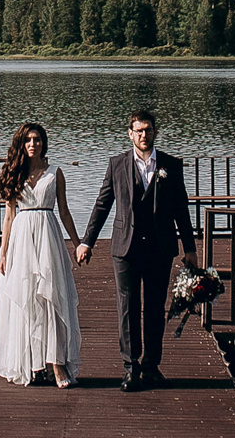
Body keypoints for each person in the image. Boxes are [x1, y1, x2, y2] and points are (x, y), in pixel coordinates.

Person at [75, 106, 198, 392]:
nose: (144, 135)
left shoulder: (171, 165)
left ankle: (152, 367)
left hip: (160, 247)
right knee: (128, 308)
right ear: (130, 134)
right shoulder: (117, 164)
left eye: (148, 130)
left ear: (155, 132)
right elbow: (103, 204)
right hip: (125, 248)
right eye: (139, 131)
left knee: (155, 308)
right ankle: (131, 368)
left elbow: (181, 209)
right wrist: (87, 241)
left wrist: (189, 248)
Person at [0, 121, 84, 388]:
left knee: (50, 296)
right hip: (22, 237)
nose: (34, 144)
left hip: (48, 235)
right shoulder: (14, 173)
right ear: (22, 144)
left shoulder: (55, 173)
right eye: (29, 140)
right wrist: (4, 252)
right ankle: (32, 363)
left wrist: (77, 243)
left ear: (44, 143)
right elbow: (9, 216)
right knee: (27, 297)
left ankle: (57, 364)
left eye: (38, 139)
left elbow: (64, 211)